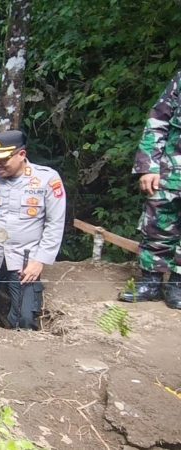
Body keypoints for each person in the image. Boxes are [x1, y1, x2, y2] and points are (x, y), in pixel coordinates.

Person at [0, 130, 66, 329]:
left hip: (25, 259)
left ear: (21, 155)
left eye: (3, 160)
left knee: (25, 319)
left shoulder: (47, 179)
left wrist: (40, 260)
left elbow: (55, 223)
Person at [121, 71, 181, 309]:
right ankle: (150, 282)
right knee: (156, 225)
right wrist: (148, 166)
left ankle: (177, 285)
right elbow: (157, 122)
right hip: (169, 172)